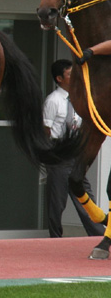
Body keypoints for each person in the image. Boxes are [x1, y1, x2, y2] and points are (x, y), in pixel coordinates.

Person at [43, 59, 105, 238]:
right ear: (59, 78)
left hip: (77, 151)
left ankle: (97, 234)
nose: (75, 77)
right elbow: (46, 129)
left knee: (84, 193)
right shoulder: (53, 100)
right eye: (70, 74)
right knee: (57, 199)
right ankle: (55, 237)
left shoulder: (80, 98)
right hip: (59, 152)